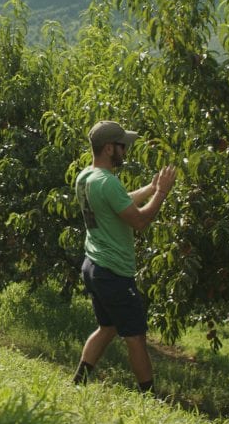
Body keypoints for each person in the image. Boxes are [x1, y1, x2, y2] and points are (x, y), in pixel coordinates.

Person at [72, 120, 176, 393]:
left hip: (92, 264)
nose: (125, 151)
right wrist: (162, 193)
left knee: (107, 328)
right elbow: (140, 221)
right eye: (122, 146)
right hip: (113, 271)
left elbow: (118, 201)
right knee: (135, 337)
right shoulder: (107, 182)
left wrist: (149, 190)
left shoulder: (86, 177)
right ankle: (149, 397)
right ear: (109, 149)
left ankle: (78, 382)